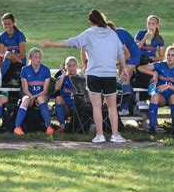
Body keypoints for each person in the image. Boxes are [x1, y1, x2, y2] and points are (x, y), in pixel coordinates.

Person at [41, 9, 128, 143]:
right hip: (109, 74)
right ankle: (115, 135)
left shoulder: (89, 33)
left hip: (94, 74)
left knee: (97, 106)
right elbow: (120, 52)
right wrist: (125, 69)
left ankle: (100, 135)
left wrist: (51, 43)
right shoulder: (112, 34)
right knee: (111, 107)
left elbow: (71, 42)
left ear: (91, 22)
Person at [138, 45, 174, 134]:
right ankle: (153, 126)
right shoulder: (160, 65)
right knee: (154, 96)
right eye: (168, 55)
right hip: (162, 97)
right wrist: (153, 74)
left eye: (172, 55)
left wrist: (169, 86)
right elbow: (140, 68)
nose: (170, 57)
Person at [13, 48, 53, 135]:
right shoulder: (25, 70)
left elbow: (45, 90)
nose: (38, 59)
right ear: (30, 58)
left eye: (40, 57)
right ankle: (17, 127)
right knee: (26, 99)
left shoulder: (46, 70)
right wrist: (31, 97)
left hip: (41, 95)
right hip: (29, 94)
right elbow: (25, 89)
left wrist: (35, 97)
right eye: (36, 57)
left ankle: (49, 127)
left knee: (41, 99)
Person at [110, 23, 140, 115]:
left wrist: (116, 63)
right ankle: (134, 103)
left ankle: (125, 108)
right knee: (121, 81)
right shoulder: (115, 33)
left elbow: (127, 55)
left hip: (132, 56)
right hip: (124, 57)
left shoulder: (117, 36)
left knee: (125, 80)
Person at [54, 56, 79, 133]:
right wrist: (63, 74)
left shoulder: (80, 78)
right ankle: (62, 126)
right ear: (65, 66)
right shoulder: (62, 78)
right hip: (66, 107)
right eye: (69, 65)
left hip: (78, 108)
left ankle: (92, 126)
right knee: (58, 98)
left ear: (77, 66)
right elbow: (57, 88)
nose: (71, 68)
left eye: (74, 65)